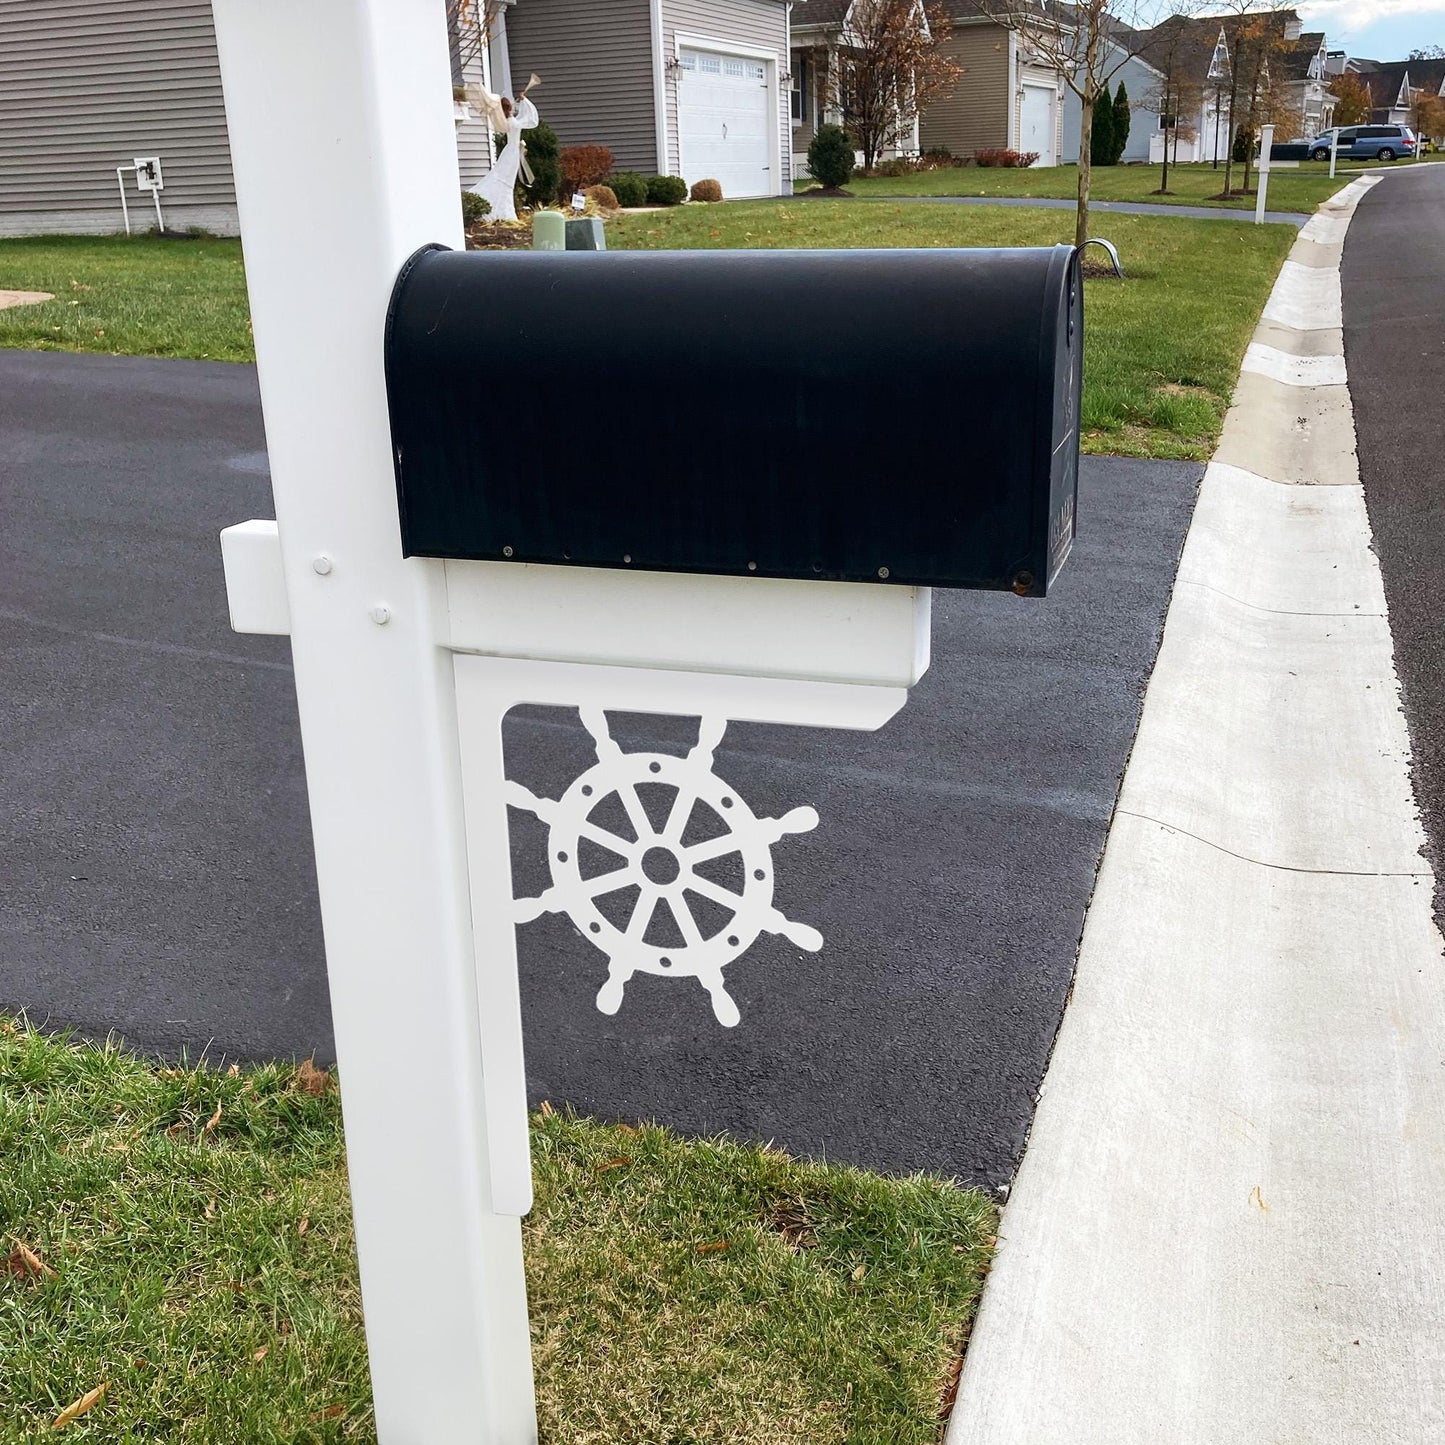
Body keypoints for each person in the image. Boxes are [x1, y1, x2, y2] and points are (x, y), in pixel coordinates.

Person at [471, 91, 539, 223]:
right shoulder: (513, 122)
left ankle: (504, 210)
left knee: (504, 180)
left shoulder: (508, 121)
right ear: (509, 108)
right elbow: (531, 119)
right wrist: (525, 100)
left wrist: (522, 101)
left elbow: (523, 117)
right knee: (506, 182)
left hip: (510, 151)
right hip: (512, 153)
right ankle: (505, 211)